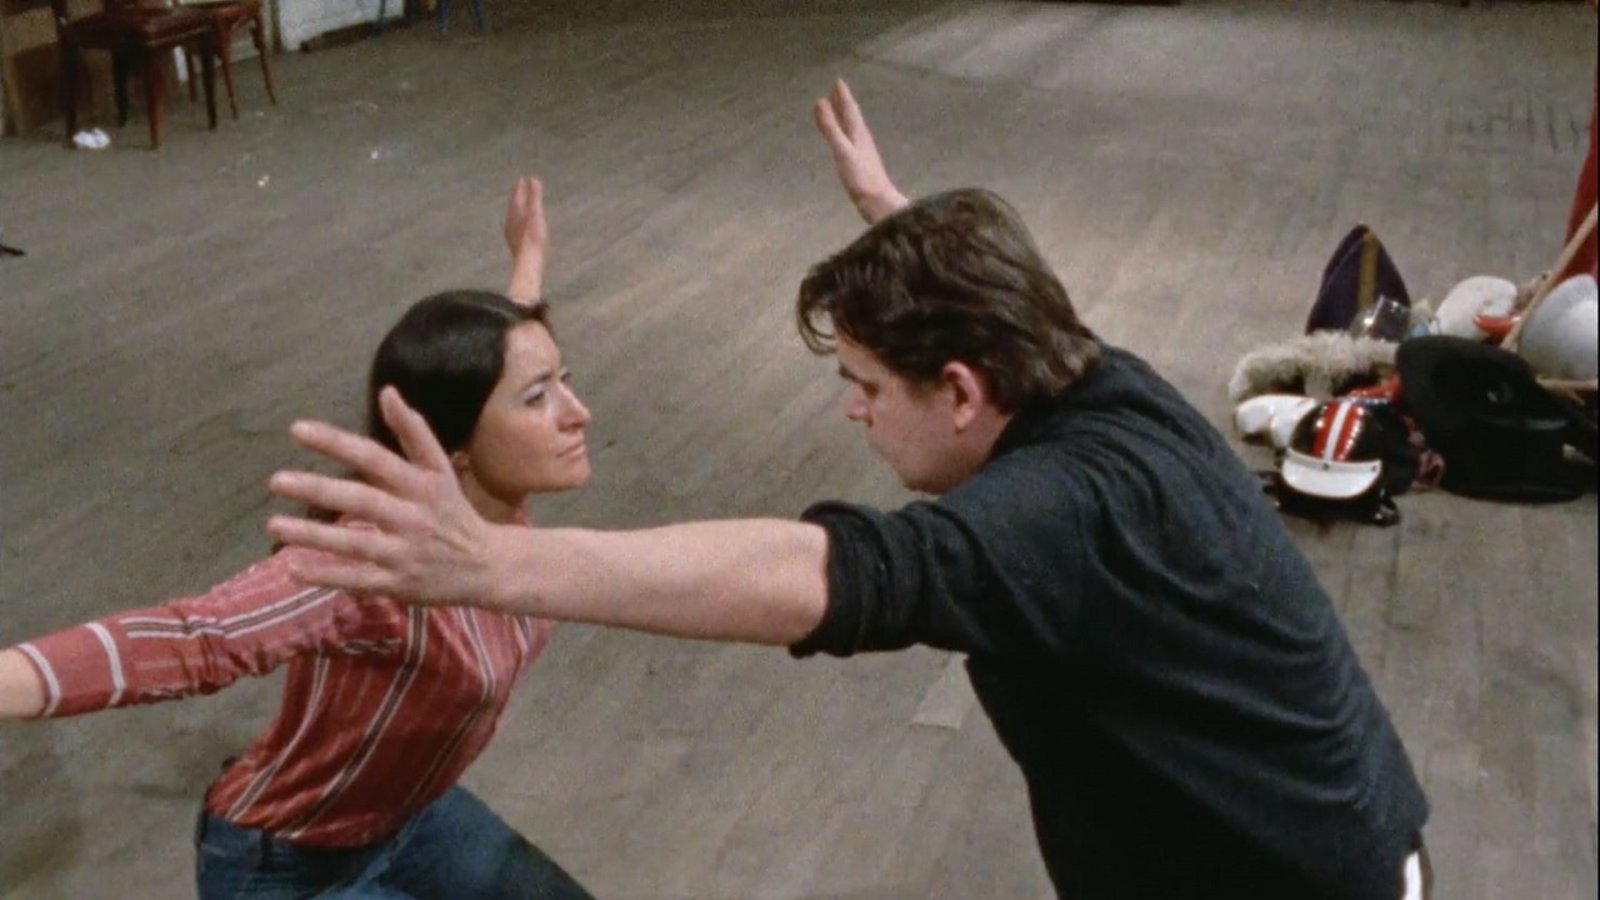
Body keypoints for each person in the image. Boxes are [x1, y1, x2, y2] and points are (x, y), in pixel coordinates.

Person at [265, 81, 1432, 899]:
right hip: (1315, 834)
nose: (853, 410)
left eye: (868, 386)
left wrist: (490, 562)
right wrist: (896, 219)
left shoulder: (1054, 511)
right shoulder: (1090, 378)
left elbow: (821, 573)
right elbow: (1015, 295)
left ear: (961, 391)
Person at [0, 178, 597, 900]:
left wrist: (527, 258)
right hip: (286, 866)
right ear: (456, 445)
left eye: (564, 380)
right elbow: (198, 636)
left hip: (411, 817)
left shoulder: (486, 499)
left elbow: (489, 364)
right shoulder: (368, 561)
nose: (577, 412)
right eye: (539, 399)